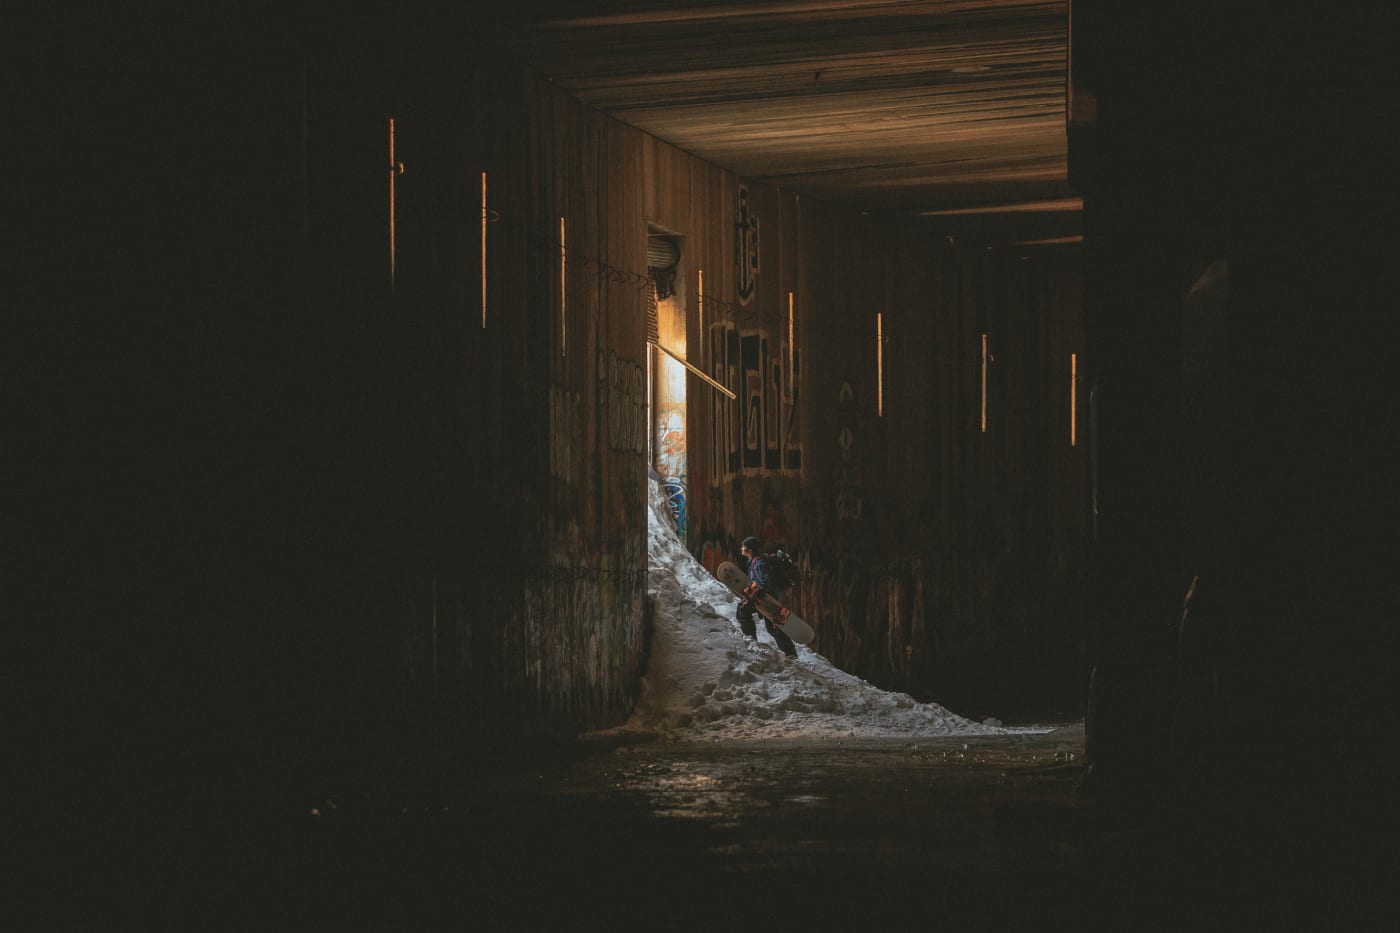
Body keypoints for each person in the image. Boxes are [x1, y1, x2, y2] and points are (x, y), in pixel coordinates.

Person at [736, 535, 798, 658]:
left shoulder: (758, 563)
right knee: (772, 626)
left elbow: (765, 582)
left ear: (750, 550)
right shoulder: (758, 561)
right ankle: (790, 652)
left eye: (743, 547)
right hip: (768, 597)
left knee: (743, 610)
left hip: (766, 598)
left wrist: (754, 591)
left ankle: (751, 640)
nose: (741, 548)